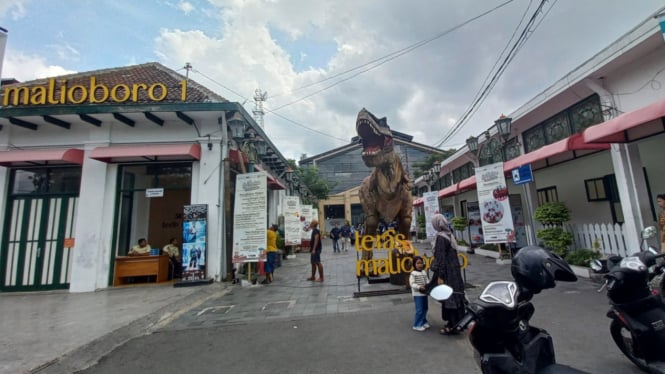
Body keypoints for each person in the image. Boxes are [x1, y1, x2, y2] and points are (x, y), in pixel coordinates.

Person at [426, 213, 466, 335]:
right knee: (456, 296)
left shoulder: (441, 237)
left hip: (448, 272)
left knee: (449, 297)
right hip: (455, 271)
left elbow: (441, 258)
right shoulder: (449, 234)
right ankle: (459, 322)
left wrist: (440, 276)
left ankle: (452, 325)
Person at [409, 256, 430, 332]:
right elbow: (412, 283)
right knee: (420, 310)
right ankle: (417, 324)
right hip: (418, 294)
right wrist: (418, 287)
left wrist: (428, 285)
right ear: (414, 264)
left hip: (424, 293)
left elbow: (427, 280)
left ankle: (423, 321)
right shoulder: (413, 273)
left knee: (425, 308)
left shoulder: (424, 272)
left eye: (421, 263)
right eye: (418, 263)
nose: (420, 265)